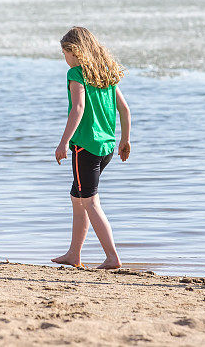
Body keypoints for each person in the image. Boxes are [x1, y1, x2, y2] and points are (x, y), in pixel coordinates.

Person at [52, 26, 131, 270]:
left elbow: (78, 108)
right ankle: (74, 254)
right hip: (106, 147)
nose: (64, 59)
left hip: (84, 147)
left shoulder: (76, 74)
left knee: (90, 201)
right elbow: (125, 109)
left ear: (74, 52)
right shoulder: (105, 73)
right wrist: (125, 140)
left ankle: (112, 257)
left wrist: (64, 142)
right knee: (78, 197)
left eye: (65, 53)